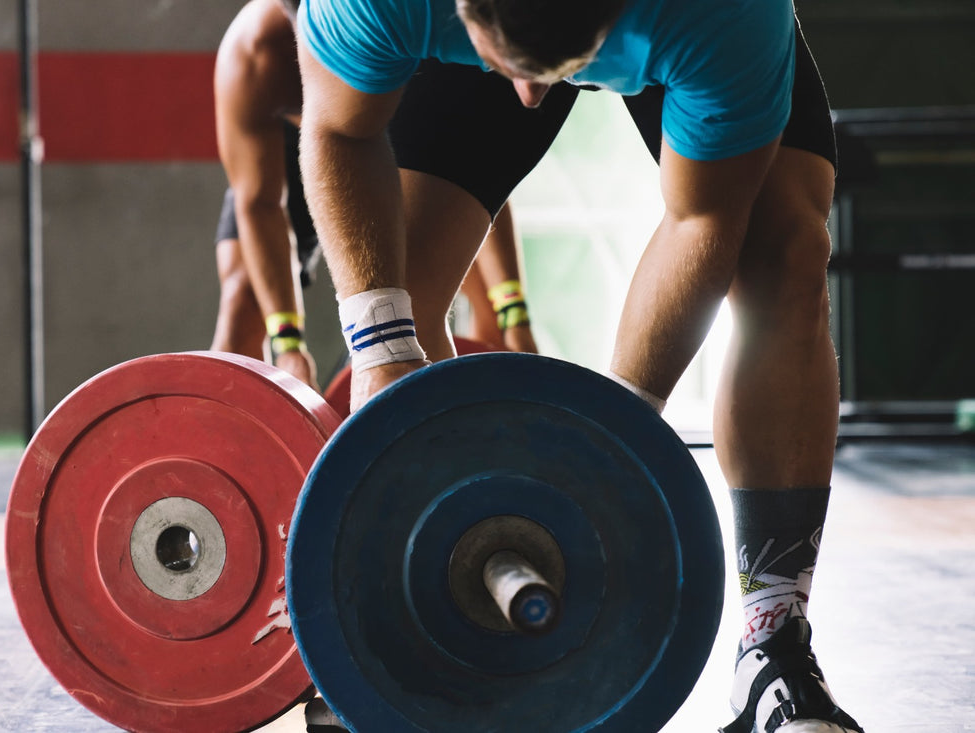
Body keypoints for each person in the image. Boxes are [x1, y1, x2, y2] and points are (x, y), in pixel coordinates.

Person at [294, 0, 863, 731]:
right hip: (473, 32)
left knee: (784, 246)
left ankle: (772, 645)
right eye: (518, 70)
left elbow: (704, 219)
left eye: (559, 70)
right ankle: (417, 629)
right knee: (397, 270)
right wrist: (382, 348)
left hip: (681, 27)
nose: (533, 95)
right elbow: (339, 128)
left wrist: (612, 449)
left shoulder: (727, 14)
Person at [208, 0, 536, 391]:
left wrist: (511, 308)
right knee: (240, 305)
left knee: (455, 277)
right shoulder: (251, 58)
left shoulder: (392, 18)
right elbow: (260, 205)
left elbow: (468, 172)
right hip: (294, 158)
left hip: (373, 125)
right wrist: (288, 343)